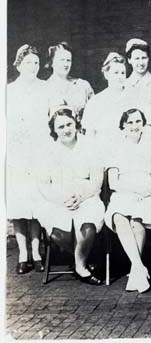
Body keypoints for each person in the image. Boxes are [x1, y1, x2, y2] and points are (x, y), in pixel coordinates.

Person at [36, 106, 104, 285]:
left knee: (88, 225)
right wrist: (60, 200)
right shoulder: (47, 152)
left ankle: (80, 266)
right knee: (59, 232)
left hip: (86, 195)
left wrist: (81, 196)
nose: (66, 130)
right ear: (54, 130)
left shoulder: (91, 146)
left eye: (69, 124)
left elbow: (97, 180)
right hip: (57, 199)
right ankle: (81, 258)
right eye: (61, 127)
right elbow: (43, 184)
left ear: (76, 124)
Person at [105, 109, 151, 293]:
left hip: (149, 192)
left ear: (144, 125)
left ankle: (135, 271)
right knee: (119, 217)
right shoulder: (115, 148)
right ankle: (139, 267)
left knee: (137, 220)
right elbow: (113, 182)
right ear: (123, 126)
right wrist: (132, 190)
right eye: (130, 122)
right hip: (124, 191)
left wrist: (144, 191)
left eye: (138, 121)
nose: (134, 126)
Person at [6, 44, 49, 274]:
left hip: (39, 153)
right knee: (19, 204)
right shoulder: (9, 91)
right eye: (28, 62)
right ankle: (23, 253)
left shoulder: (46, 89)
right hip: (17, 154)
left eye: (36, 62)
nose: (33, 66)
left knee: (36, 203)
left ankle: (37, 251)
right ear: (19, 64)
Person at [81, 52, 151, 152]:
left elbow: (147, 129)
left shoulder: (137, 97)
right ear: (106, 74)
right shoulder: (95, 102)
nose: (120, 76)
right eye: (116, 73)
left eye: (122, 73)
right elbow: (90, 135)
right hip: (104, 154)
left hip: (132, 153)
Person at [45, 42, 94, 123]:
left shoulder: (83, 85)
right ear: (52, 62)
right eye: (62, 60)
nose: (65, 64)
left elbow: (94, 113)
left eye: (68, 60)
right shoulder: (44, 88)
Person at [124, 38, 151, 127]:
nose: (141, 62)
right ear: (129, 60)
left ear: (148, 58)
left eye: (144, 58)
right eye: (136, 58)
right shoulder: (124, 84)